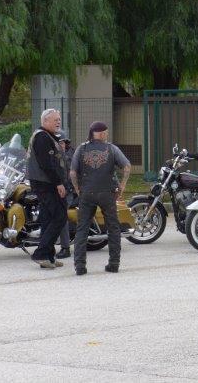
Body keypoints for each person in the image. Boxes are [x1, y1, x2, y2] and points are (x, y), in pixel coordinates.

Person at [70, 121, 131, 276]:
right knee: (113, 228)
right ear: (102, 133)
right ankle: (114, 264)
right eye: (106, 132)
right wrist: (122, 185)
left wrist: (77, 189)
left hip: (87, 193)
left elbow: (72, 173)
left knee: (82, 229)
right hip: (107, 194)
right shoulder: (111, 148)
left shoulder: (81, 149)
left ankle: (80, 266)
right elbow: (127, 166)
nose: (107, 135)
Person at [28, 109, 68, 269]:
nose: (58, 122)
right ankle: (41, 253)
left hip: (45, 183)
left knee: (48, 218)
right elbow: (47, 164)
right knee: (60, 216)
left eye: (59, 119)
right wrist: (58, 183)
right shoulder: (42, 137)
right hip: (46, 184)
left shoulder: (48, 136)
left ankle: (49, 256)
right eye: (55, 120)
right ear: (45, 121)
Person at [55, 132, 76, 259]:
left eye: (62, 143)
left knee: (61, 215)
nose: (60, 145)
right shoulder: (55, 156)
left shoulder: (69, 157)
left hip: (68, 192)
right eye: (57, 143)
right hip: (56, 191)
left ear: (66, 144)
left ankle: (65, 247)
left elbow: (68, 178)